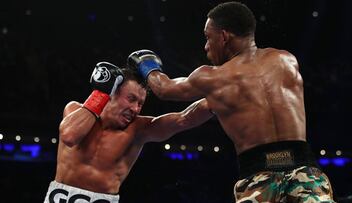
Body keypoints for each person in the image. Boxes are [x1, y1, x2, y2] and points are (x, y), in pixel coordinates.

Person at [127, 1, 335, 202]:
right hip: (307, 175)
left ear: (224, 36)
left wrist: (147, 65)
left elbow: (165, 89)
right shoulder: (286, 59)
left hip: (259, 178)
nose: (206, 47)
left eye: (208, 38)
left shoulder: (215, 78)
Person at [43, 62, 213, 203]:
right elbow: (70, 136)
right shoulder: (75, 109)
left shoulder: (139, 129)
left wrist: (221, 95)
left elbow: (184, 118)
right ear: (111, 94)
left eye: (140, 103)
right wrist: (101, 92)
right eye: (131, 99)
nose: (135, 108)